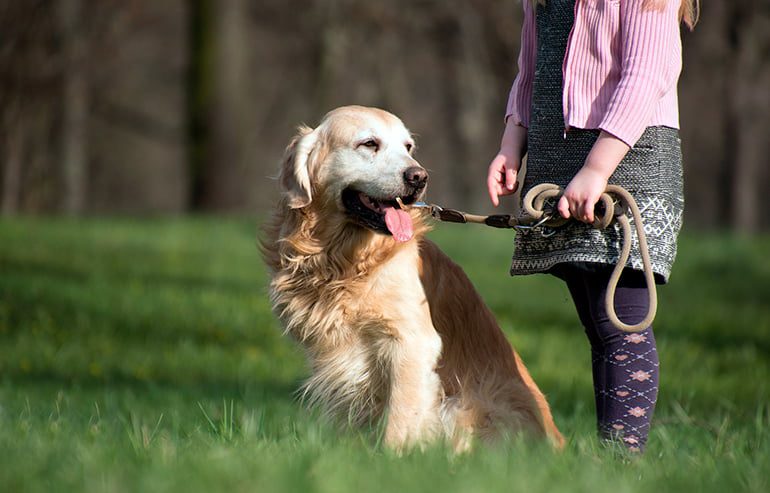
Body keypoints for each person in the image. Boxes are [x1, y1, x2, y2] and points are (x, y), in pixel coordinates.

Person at [486, 0, 697, 452]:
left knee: (621, 321)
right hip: (561, 157)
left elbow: (647, 75)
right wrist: (511, 144)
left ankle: (621, 462)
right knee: (598, 323)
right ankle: (607, 460)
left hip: (627, 159)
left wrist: (597, 170)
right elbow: (530, 72)